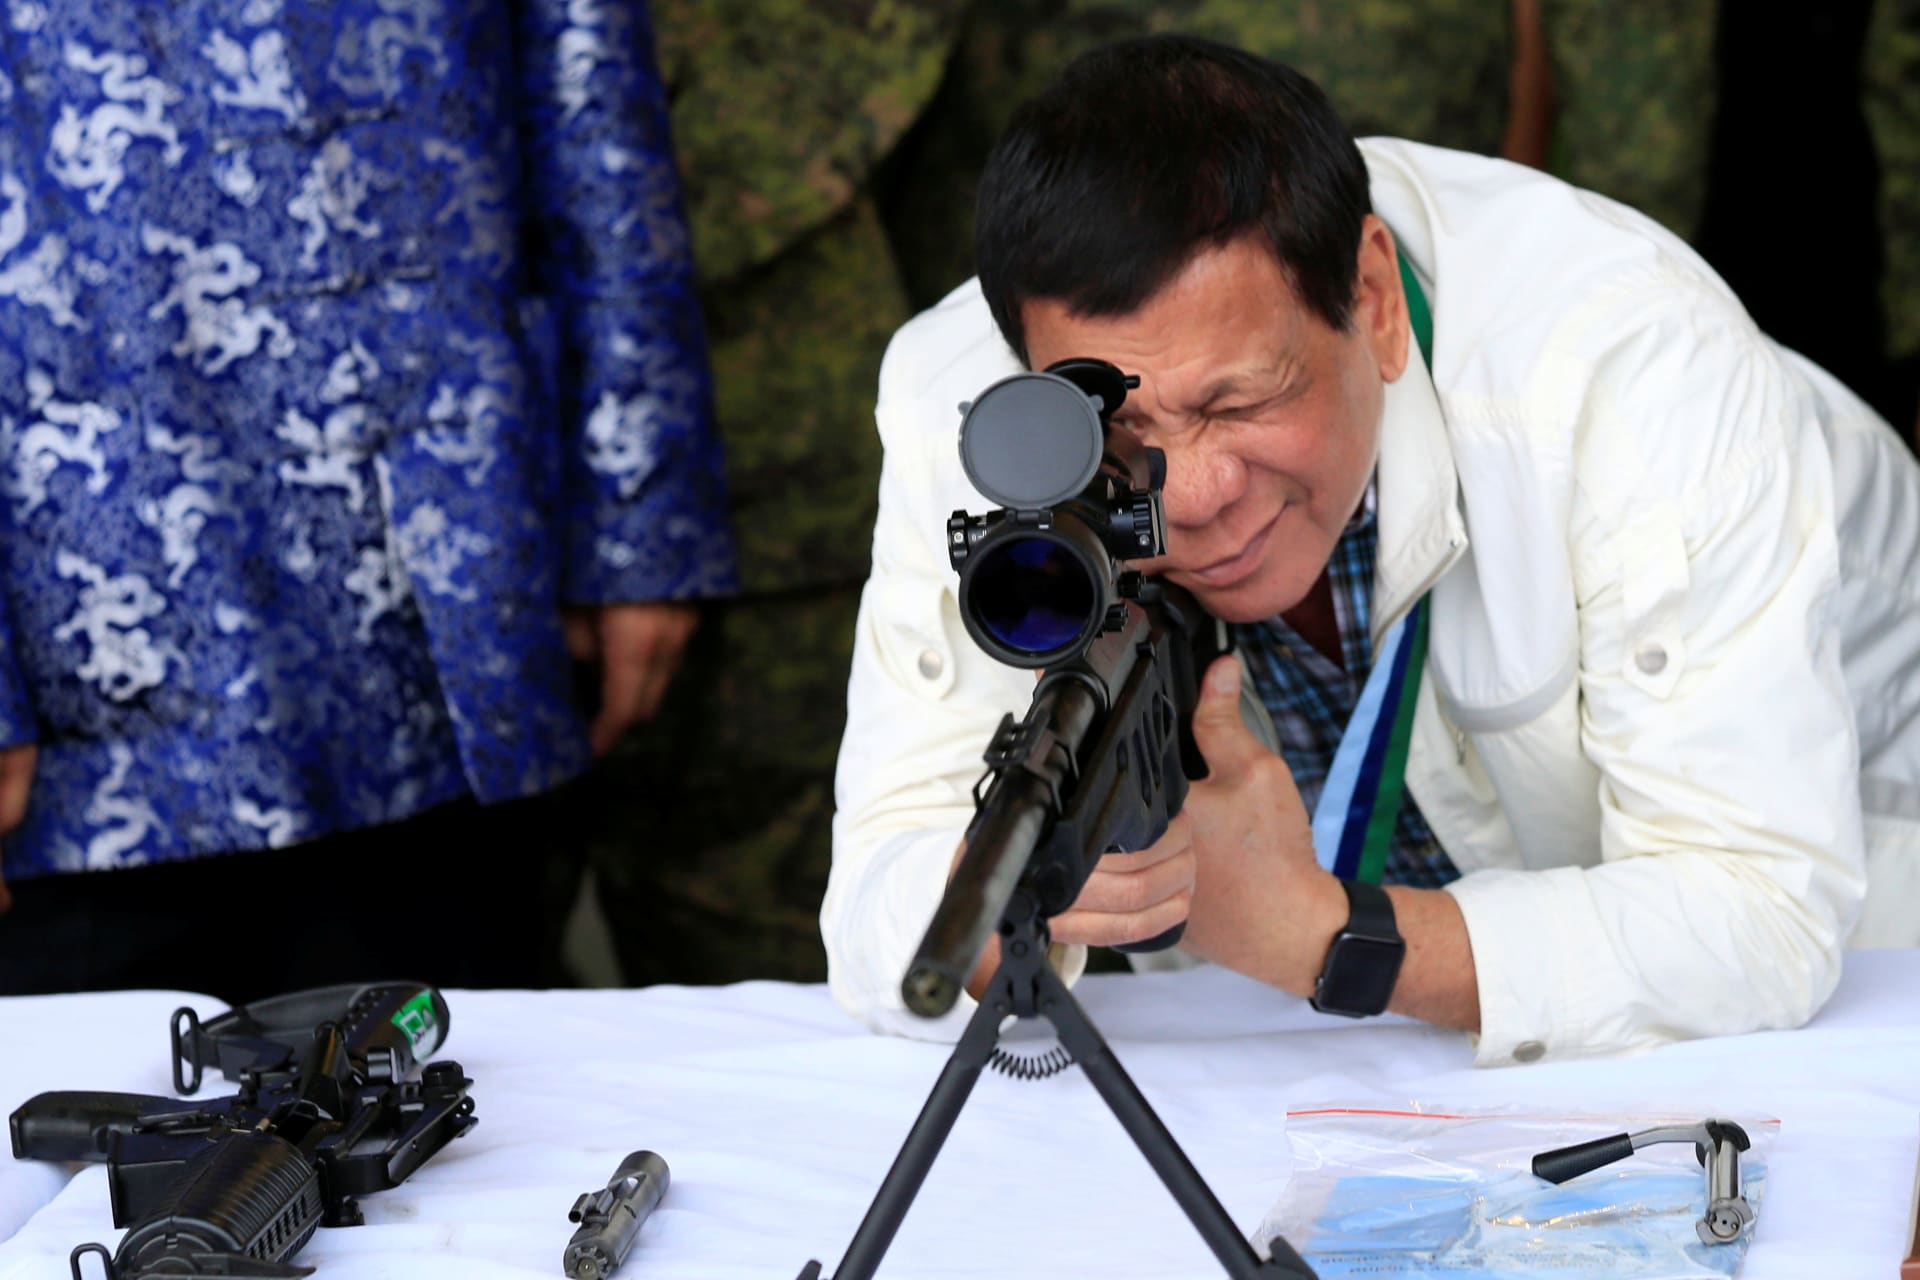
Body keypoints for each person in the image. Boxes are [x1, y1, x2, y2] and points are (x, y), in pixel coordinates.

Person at [823, 35, 1920, 1066]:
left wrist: (1321, 935)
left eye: (1243, 400)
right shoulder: (964, 409)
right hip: (1346, 1053)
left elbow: (1760, 916)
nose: (1197, 496)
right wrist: (1008, 902)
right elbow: (877, 900)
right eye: (1121, 437)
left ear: (1375, 299)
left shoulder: (1636, 370)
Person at [0, 0, 733, 999]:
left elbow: (596, 118)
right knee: (89, 1135)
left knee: (468, 1120)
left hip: (443, 599)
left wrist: (639, 517)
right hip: (82, 664)